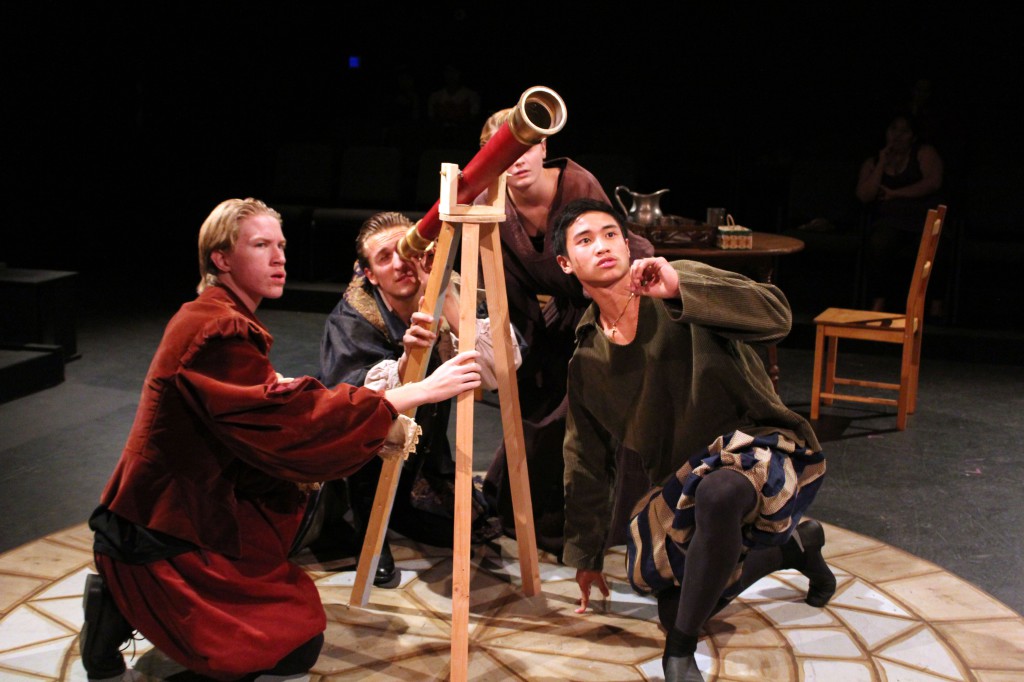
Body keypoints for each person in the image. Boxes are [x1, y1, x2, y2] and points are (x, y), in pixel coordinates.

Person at [81, 198, 482, 682]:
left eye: (281, 245)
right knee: (288, 646)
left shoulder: (221, 316)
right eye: (260, 245)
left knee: (295, 626)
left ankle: (131, 600)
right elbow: (289, 422)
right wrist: (408, 393)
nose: (279, 258)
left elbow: (271, 399)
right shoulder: (215, 328)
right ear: (221, 259)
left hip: (194, 509)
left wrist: (398, 376)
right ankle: (119, 602)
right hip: (163, 527)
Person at [551, 198, 831, 682]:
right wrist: (586, 554)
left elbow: (777, 315)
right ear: (565, 263)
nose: (602, 246)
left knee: (720, 492)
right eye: (585, 240)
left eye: (611, 234)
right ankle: (792, 549)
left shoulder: (675, 283)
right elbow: (585, 457)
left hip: (759, 445)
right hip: (681, 481)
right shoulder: (587, 359)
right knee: (674, 603)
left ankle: (678, 655)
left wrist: (681, 287)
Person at [474, 109, 655, 557]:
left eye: (525, 146)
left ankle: (590, 527)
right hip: (562, 308)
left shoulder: (576, 186)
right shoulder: (487, 205)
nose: (516, 159)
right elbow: (509, 288)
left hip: (617, 293)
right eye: (503, 151)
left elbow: (605, 263)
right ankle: (527, 515)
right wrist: (523, 356)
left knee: (586, 395)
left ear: (543, 147)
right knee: (534, 393)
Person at [317, 211, 520, 582]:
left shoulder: (450, 284)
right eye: (384, 258)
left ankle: (402, 504)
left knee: (471, 529)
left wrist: (441, 292)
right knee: (370, 447)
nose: (400, 264)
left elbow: (501, 369)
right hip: (362, 449)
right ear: (370, 274)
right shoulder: (353, 318)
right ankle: (369, 524)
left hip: (424, 448)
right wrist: (408, 362)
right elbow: (352, 406)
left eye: (405, 249)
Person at [856, 110, 945, 312]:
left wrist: (896, 194)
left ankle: (935, 305)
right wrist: (881, 163)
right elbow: (864, 194)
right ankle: (879, 300)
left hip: (921, 218)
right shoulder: (873, 160)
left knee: (935, 245)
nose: (897, 135)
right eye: (894, 129)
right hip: (890, 221)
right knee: (878, 243)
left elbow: (933, 182)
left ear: (913, 136)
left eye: (904, 131)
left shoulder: (923, 152)